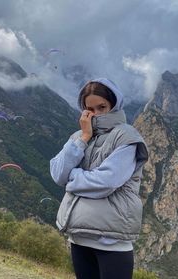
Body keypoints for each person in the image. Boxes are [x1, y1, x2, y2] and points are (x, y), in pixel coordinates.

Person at [50, 78, 148, 279]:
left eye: (102, 107)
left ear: (114, 105)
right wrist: (84, 138)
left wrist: (72, 177)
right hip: (79, 238)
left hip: (112, 241)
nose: (96, 114)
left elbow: (106, 182)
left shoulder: (126, 137)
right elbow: (58, 173)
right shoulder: (79, 136)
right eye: (90, 109)